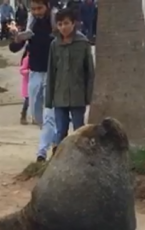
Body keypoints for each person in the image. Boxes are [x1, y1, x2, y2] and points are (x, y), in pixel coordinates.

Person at [9, 0, 57, 162]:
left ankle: (42, 152)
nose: (37, 12)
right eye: (34, 9)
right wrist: (17, 38)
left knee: (50, 114)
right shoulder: (31, 23)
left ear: (47, 7)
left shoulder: (55, 22)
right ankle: (53, 136)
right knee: (36, 112)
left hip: (53, 73)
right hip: (35, 72)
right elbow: (15, 47)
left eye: (40, 8)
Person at [45, 7, 95, 151]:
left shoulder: (83, 43)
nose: (63, 27)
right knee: (61, 130)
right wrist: (49, 99)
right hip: (59, 95)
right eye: (60, 24)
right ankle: (58, 158)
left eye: (66, 23)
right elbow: (51, 73)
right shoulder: (54, 45)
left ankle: (80, 159)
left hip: (77, 95)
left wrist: (88, 96)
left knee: (79, 130)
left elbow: (89, 72)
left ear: (74, 23)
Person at [19, 49, 30, 125]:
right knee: (27, 100)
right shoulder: (26, 59)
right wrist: (29, 71)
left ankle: (35, 117)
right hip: (27, 83)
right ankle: (23, 115)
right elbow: (22, 70)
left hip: (33, 82)